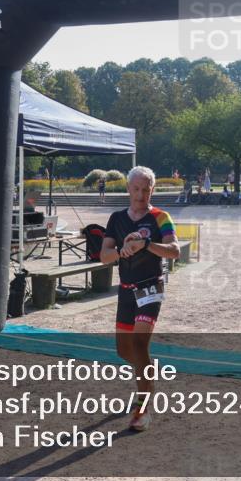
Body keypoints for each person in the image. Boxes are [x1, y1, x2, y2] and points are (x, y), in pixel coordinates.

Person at [99, 167, 179, 431]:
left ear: (152, 191)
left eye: (146, 189)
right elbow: (104, 255)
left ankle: (143, 408)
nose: (141, 194)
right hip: (125, 289)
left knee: (139, 343)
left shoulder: (160, 217)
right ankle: (147, 374)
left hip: (150, 288)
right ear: (128, 190)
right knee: (124, 350)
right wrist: (120, 252)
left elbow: (174, 250)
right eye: (136, 189)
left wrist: (146, 245)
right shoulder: (116, 219)